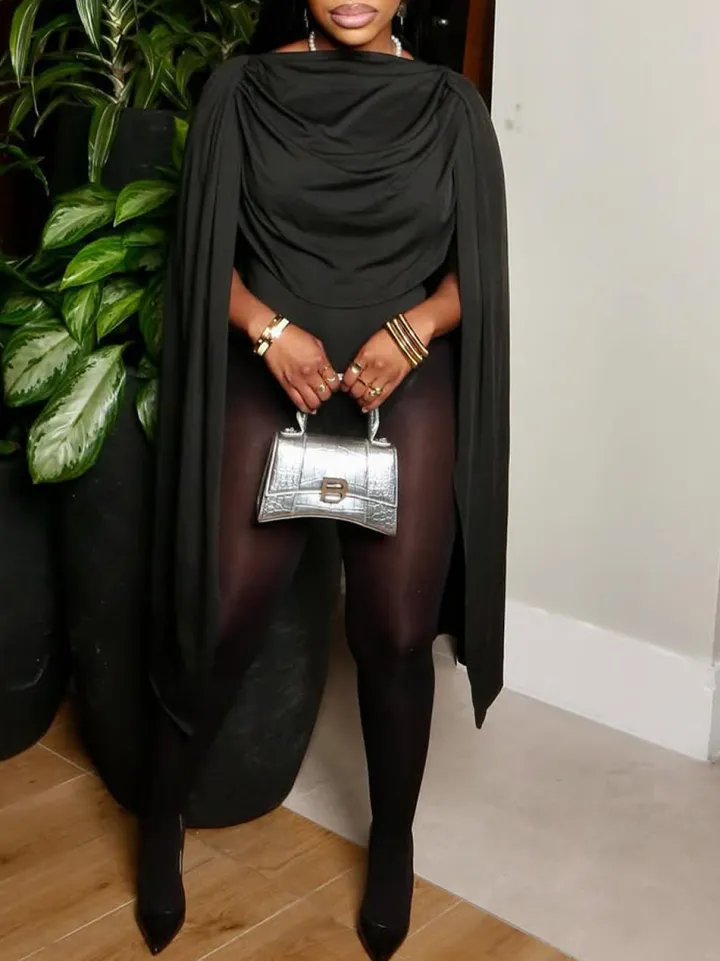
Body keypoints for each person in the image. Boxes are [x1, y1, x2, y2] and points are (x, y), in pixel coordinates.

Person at [136, 1, 509, 958]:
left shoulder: (451, 106)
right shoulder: (242, 91)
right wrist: (266, 332)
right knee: (222, 613)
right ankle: (161, 818)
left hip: (403, 374)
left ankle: (393, 839)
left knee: (395, 630)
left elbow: (478, 272)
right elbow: (200, 253)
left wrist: (414, 331)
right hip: (275, 364)